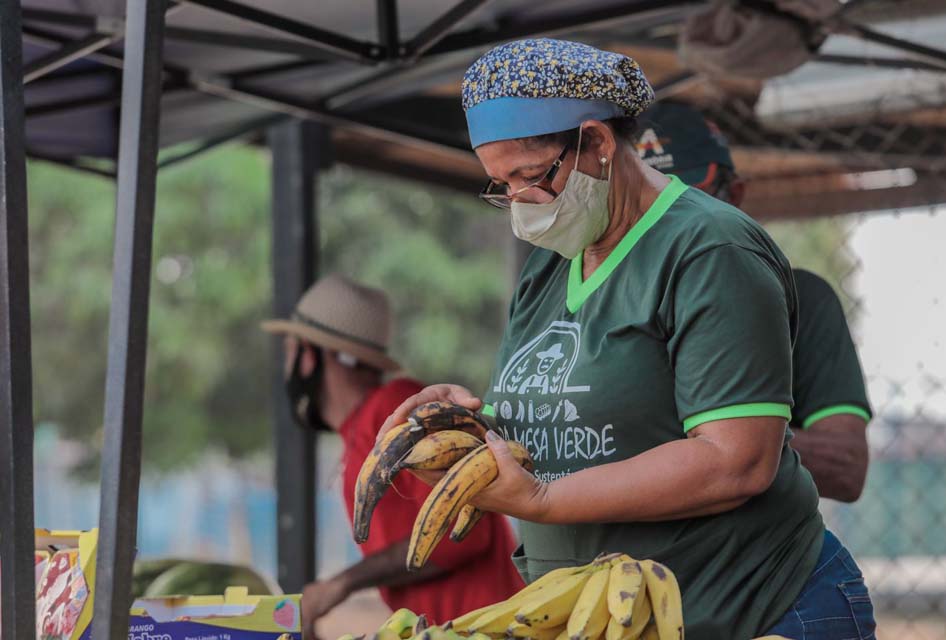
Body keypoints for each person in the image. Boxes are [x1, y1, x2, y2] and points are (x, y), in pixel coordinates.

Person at [381, 39, 876, 639]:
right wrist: (471, 432)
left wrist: (539, 500)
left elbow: (735, 461)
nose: (519, 204)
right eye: (500, 186)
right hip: (617, 619)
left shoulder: (709, 250)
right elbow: (574, 423)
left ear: (596, 142)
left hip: (757, 612)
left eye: (530, 177)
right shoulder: (552, 260)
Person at [261, 274, 523, 635]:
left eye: (291, 350)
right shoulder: (361, 431)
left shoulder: (396, 409)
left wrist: (341, 584)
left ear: (309, 356)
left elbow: (464, 536)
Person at [636, 100, 872, 502]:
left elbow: (846, 468)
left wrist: (731, 435)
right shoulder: (591, 301)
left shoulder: (798, 297)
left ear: (736, 195)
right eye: (647, 206)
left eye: (689, 203)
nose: (668, 225)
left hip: (752, 552)